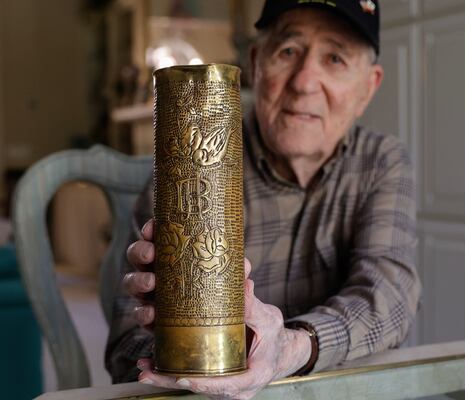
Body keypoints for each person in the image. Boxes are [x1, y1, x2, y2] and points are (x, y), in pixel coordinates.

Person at [105, 0, 421, 398]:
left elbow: (389, 299)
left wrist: (291, 347)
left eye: (336, 59)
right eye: (288, 51)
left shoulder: (381, 162)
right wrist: (179, 340)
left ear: (368, 87)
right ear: (256, 63)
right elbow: (125, 352)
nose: (305, 82)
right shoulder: (184, 167)